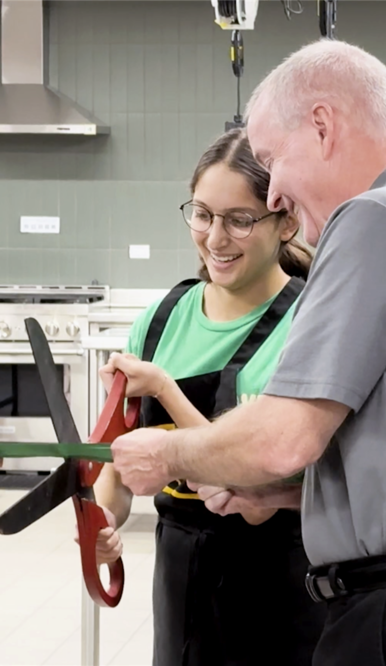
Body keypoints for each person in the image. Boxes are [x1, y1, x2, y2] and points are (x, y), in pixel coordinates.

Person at [111, 39, 386, 666]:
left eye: (271, 159)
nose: (277, 193)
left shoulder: (377, 217)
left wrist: (168, 452)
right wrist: (283, 495)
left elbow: (284, 439)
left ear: (322, 125)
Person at [90, 128, 322, 666]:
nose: (215, 238)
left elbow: (255, 486)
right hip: (179, 576)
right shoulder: (161, 319)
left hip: (275, 585)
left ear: (285, 220)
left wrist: (167, 391)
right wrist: (103, 521)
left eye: (239, 219)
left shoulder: (307, 324)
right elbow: (115, 462)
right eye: (202, 214)